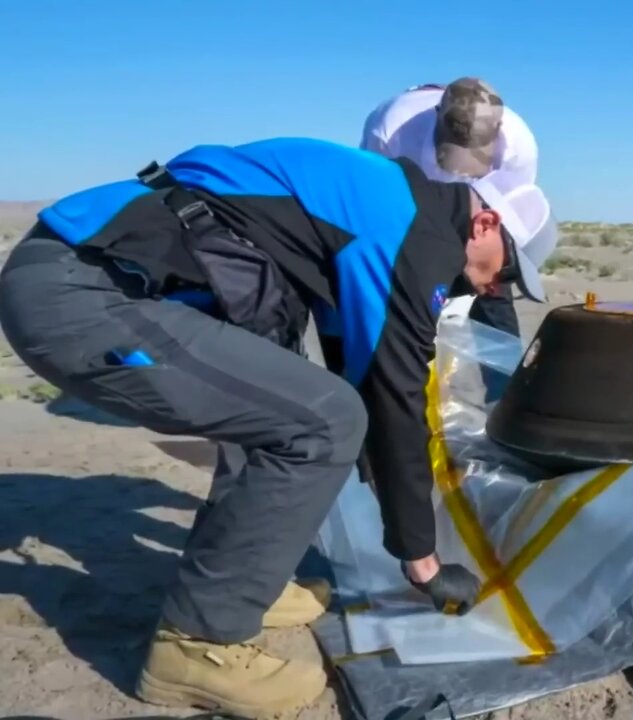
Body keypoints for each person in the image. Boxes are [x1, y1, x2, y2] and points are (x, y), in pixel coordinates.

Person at [0, 137, 558, 717]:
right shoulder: (414, 234)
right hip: (83, 294)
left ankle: (241, 583)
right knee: (324, 421)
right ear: (484, 222)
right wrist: (421, 560)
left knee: (291, 402)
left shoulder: (391, 202)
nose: (497, 289)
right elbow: (394, 396)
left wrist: (381, 480)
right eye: (507, 270)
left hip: (88, 276)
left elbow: (359, 365)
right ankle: (198, 643)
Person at [361, 76, 539, 346]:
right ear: (436, 117)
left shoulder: (519, 146)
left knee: (494, 296)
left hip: (479, 223)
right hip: (411, 218)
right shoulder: (390, 128)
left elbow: (511, 217)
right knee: (402, 310)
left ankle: (505, 386)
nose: (458, 170)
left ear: (498, 128)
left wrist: (483, 265)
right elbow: (376, 205)